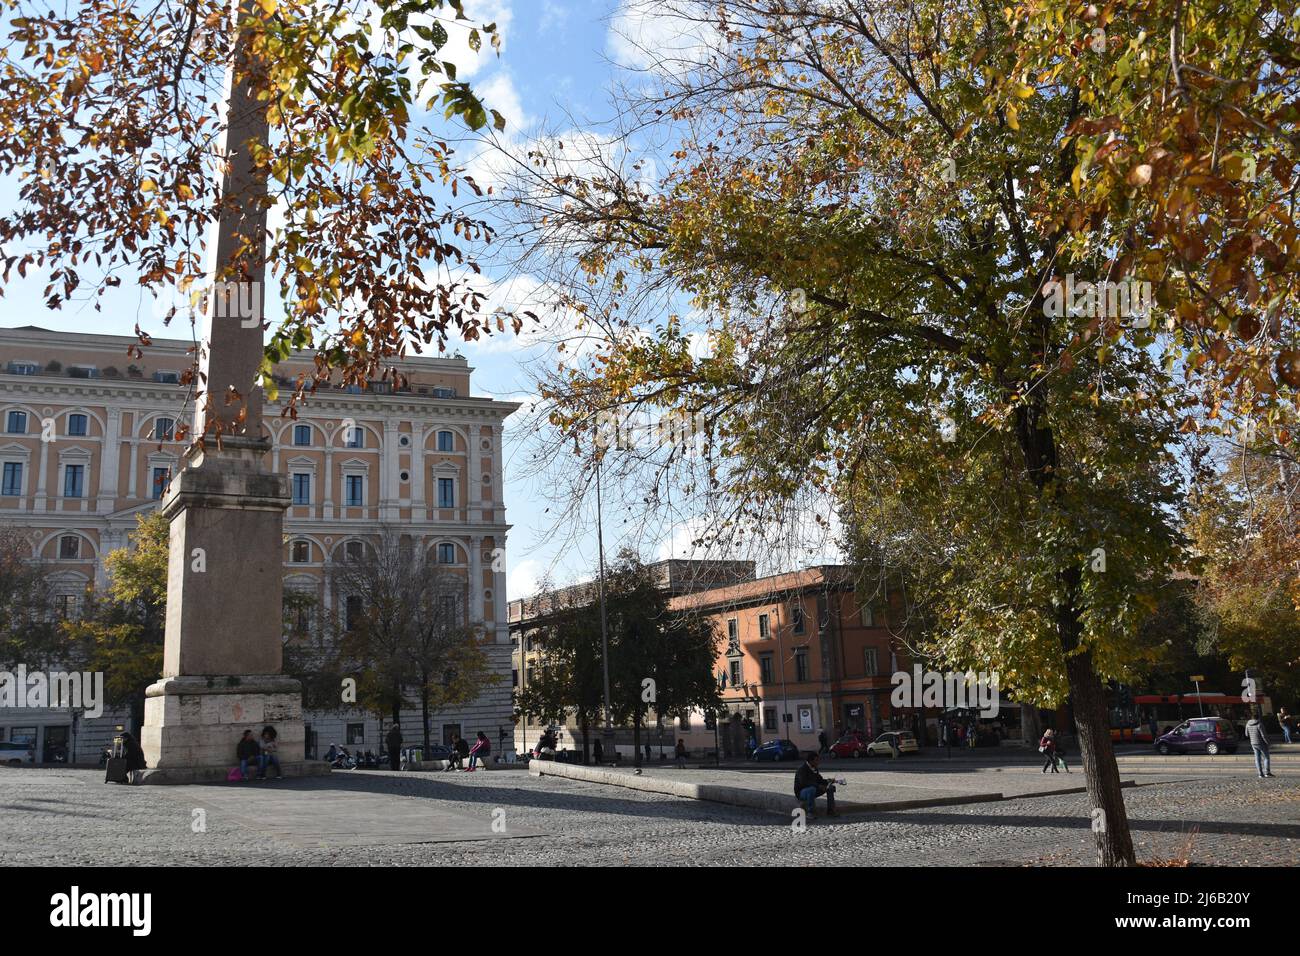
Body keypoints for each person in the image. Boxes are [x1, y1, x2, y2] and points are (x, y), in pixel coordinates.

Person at [793, 752, 836, 818]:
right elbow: (804, 783)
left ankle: (831, 810)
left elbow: (820, 780)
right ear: (811, 761)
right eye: (816, 760)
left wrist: (828, 781)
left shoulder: (814, 768)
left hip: (814, 788)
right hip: (801, 792)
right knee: (811, 789)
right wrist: (818, 786)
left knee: (830, 787)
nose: (818, 762)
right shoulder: (802, 769)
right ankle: (810, 812)